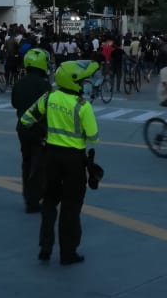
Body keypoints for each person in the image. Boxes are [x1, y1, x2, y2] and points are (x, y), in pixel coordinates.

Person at [20, 59, 101, 266]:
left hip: (51, 157)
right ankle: (68, 253)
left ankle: (45, 248)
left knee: (49, 202)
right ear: (75, 83)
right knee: (71, 207)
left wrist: (42, 137)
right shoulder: (83, 106)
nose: (86, 84)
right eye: (83, 81)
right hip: (74, 160)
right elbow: (93, 137)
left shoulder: (48, 98)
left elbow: (26, 120)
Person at [10, 47, 52, 214]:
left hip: (22, 129)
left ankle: (29, 197)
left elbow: (14, 103)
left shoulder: (19, 83)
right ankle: (34, 200)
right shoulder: (44, 85)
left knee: (27, 162)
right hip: (40, 130)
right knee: (39, 165)